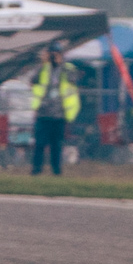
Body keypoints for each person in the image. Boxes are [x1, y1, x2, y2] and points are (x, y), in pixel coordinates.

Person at [30, 43, 80, 176]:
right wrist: (43, 63)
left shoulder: (67, 68)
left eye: (55, 54)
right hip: (43, 113)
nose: (53, 56)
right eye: (51, 54)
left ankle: (56, 170)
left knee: (56, 145)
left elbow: (74, 78)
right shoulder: (43, 68)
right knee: (40, 143)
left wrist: (60, 63)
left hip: (60, 114)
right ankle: (36, 169)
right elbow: (33, 80)